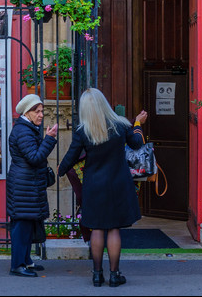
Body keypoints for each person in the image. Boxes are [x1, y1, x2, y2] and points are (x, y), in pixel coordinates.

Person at [57, 88, 146, 287]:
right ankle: (114, 275)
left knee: (97, 228)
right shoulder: (121, 125)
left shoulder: (83, 131)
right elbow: (137, 143)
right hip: (118, 184)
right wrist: (138, 123)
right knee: (114, 229)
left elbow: (71, 156)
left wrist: (60, 170)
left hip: (94, 185)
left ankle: (97, 275)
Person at [6, 93, 58, 277]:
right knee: (21, 226)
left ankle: (26, 261)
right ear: (27, 113)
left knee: (27, 224)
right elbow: (35, 157)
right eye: (38, 111)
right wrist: (49, 139)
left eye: (42, 111)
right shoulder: (23, 131)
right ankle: (18, 265)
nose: (41, 115)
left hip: (27, 184)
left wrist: (45, 139)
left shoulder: (27, 129)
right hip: (23, 185)